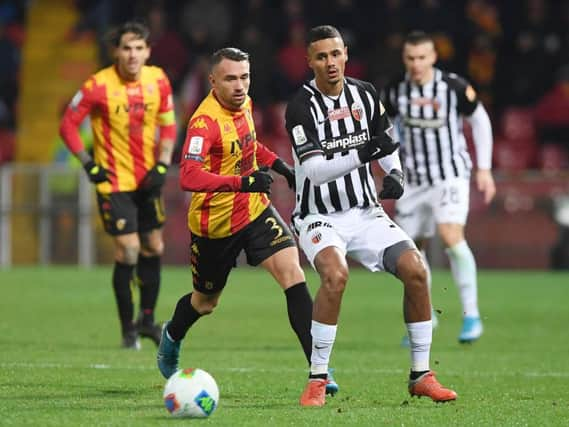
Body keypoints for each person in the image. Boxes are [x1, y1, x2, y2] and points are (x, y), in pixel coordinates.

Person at [285, 25, 457, 407]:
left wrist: (393, 171)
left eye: (335, 54)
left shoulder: (365, 93)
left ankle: (421, 374)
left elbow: (385, 140)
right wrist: (364, 154)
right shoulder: (301, 106)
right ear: (309, 61)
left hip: (364, 212)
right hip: (318, 216)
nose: (330, 62)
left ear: (345, 53)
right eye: (321, 56)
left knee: (416, 269)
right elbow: (312, 171)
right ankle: (317, 377)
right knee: (335, 275)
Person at [156, 47, 339, 396]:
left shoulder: (245, 103)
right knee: (205, 302)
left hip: (254, 209)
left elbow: (248, 146)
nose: (240, 85)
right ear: (213, 81)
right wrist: (241, 182)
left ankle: (319, 370)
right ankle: (172, 334)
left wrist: (277, 164)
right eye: (230, 78)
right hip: (214, 225)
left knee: (293, 274)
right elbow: (189, 176)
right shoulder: (203, 122)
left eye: (244, 77)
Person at [60, 21, 176, 349]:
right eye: (126, 48)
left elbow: (168, 126)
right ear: (116, 51)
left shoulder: (159, 80)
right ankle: (128, 330)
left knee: (155, 247)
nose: (133, 54)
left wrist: (164, 163)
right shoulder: (98, 85)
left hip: (148, 179)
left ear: (148, 51)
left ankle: (147, 322)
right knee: (128, 249)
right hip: (113, 182)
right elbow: (67, 126)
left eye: (139, 48)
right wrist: (89, 165)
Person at [381, 30, 495, 344]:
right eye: (410, 58)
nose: (416, 64)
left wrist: (483, 168)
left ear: (433, 57)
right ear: (405, 59)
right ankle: (425, 316)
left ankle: (471, 314)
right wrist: (389, 168)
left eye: (422, 57)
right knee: (410, 252)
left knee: (449, 235)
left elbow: (480, 121)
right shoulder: (395, 90)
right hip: (414, 181)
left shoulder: (453, 87)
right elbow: (385, 130)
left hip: (450, 175)